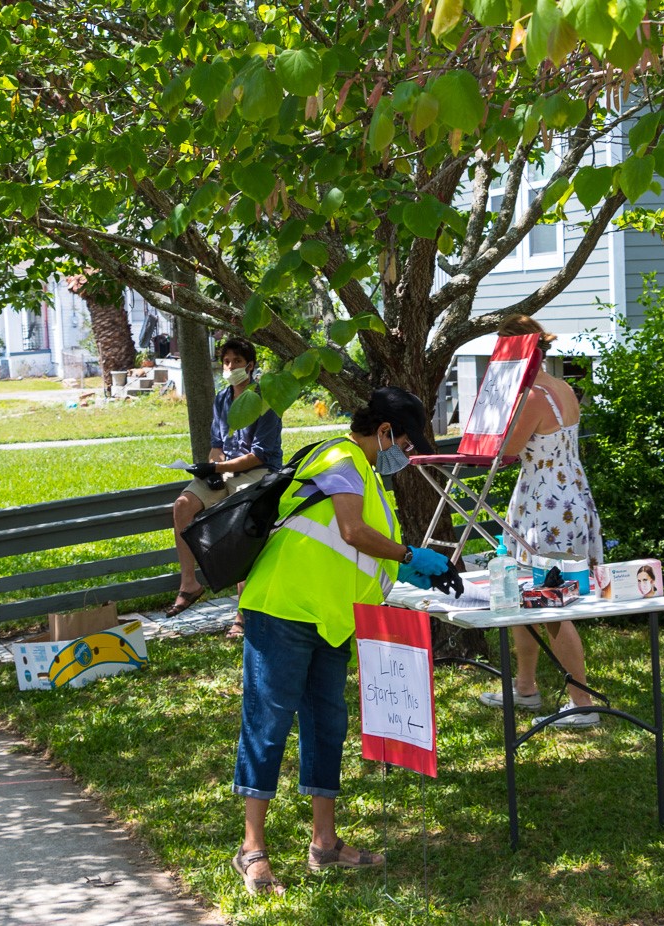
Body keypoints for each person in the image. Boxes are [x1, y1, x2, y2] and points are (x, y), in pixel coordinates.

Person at [230, 387, 455, 895]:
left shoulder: (366, 474)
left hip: (330, 621)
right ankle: (251, 849)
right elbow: (352, 531)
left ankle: (325, 844)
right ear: (384, 432)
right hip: (283, 610)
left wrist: (405, 569)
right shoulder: (342, 457)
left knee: (327, 726)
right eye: (405, 443)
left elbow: (353, 548)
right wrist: (409, 554)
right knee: (268, 725)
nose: (406, 454)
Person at [478, 315, 604, 728]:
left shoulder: (532, 395)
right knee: (527, 594)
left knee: (552, 604)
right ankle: (526, 686)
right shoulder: (561, 386)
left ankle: (582, 703)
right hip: (567, 494)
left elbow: (506, 451)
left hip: (546, 504)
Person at [167, 336, 283, 631]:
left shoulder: (266, 399)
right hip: (225, 471)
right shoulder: (222, 398)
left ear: (251, 365)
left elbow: (259, 455)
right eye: (226, 361)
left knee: (241, 528)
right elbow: (217, 445)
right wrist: (213, 470)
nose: (230, 367)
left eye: (237, 361)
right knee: (182, 506)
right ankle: (189, 583)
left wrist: (218, 467)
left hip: (257, 473)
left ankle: (242, 614)